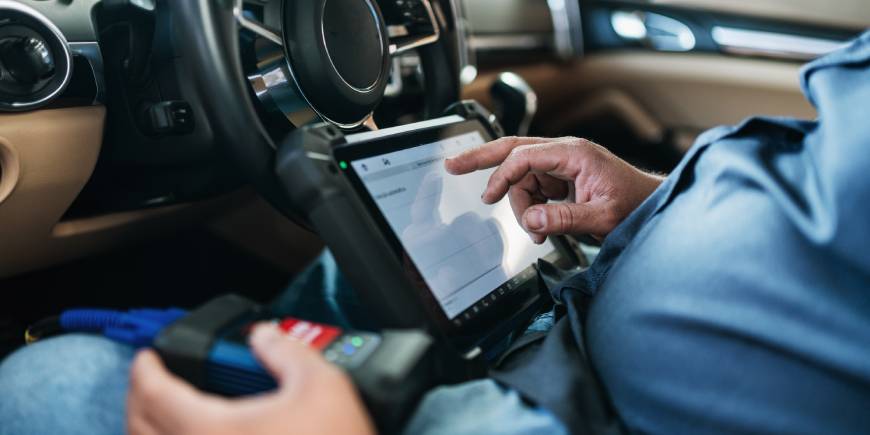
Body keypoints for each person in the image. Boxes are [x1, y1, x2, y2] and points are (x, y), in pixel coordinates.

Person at [2, 30, 870, 435]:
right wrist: (655, 202)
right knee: (366, 266)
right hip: (567, 322)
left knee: (51, 379)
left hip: (588, 414)